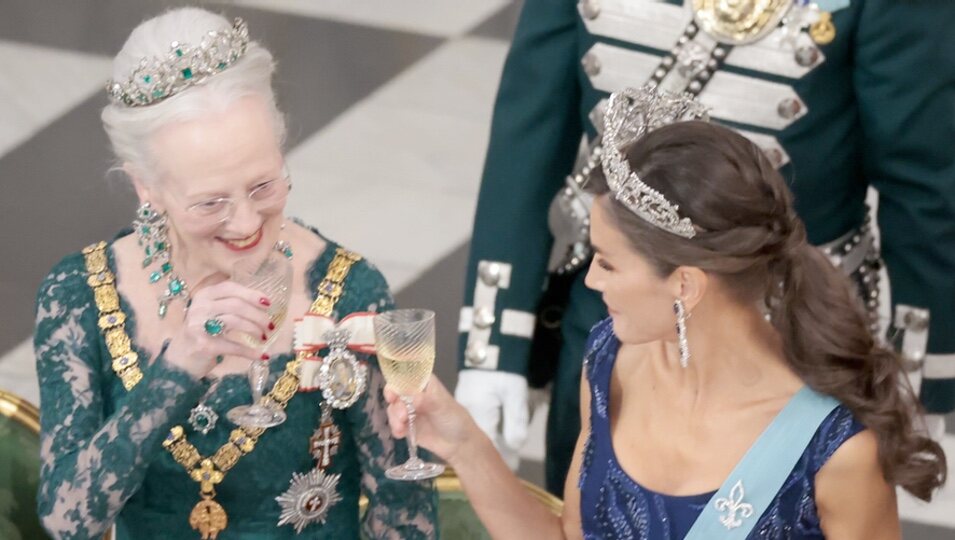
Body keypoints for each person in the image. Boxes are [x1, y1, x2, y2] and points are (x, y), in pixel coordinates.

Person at [394, 91, 946, 539]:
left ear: (686, 284)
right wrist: (463, 443)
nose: (590, 281)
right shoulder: (609, 361)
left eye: (608, 263)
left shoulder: (838, 452)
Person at [456, 0, 955, 494]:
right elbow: (528, 130)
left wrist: (921, 371)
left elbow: (920, 181)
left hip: (787, 336)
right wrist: (494, 344)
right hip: (613, 315)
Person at [33, 8, 436, 539]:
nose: (246, 223)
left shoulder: (348, 292)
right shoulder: (82, 295)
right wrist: (180, 363)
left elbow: (406, 518)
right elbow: (67, 522)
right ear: (145, 188)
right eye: (210, 202)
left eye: (264, 185)